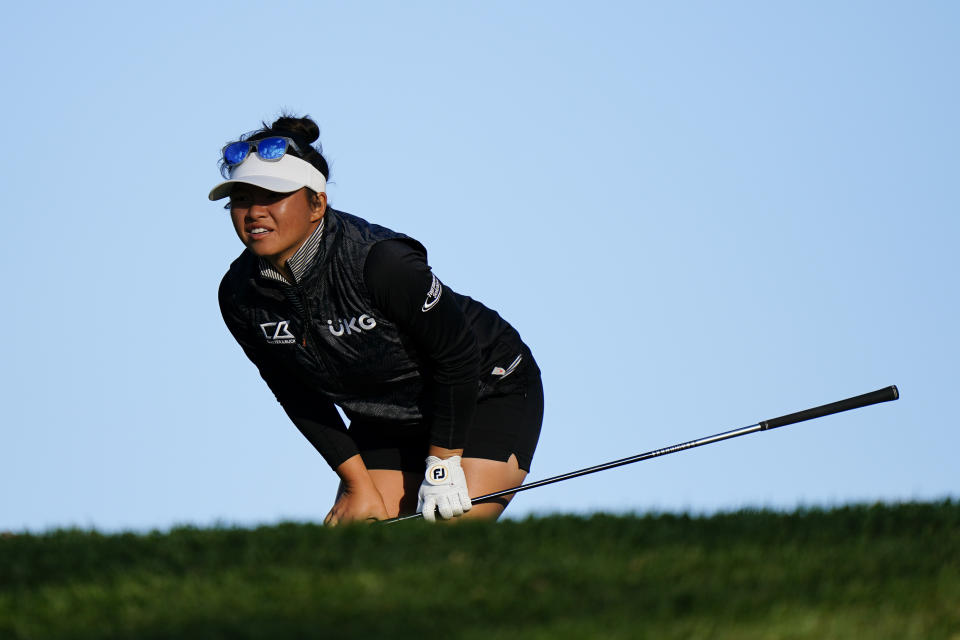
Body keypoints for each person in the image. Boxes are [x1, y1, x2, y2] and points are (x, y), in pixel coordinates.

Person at [211, 115, 544, 524]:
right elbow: (296, 394)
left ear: (317, 203)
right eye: (242, 198)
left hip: (483, 391)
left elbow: (457, 356)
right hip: (385, 417)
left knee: (442, 536)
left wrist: (442, 468)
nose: (254, 212)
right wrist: (356, 484)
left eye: (272, 195)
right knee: (359, 544)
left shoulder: (382, 262)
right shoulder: (239, 296)